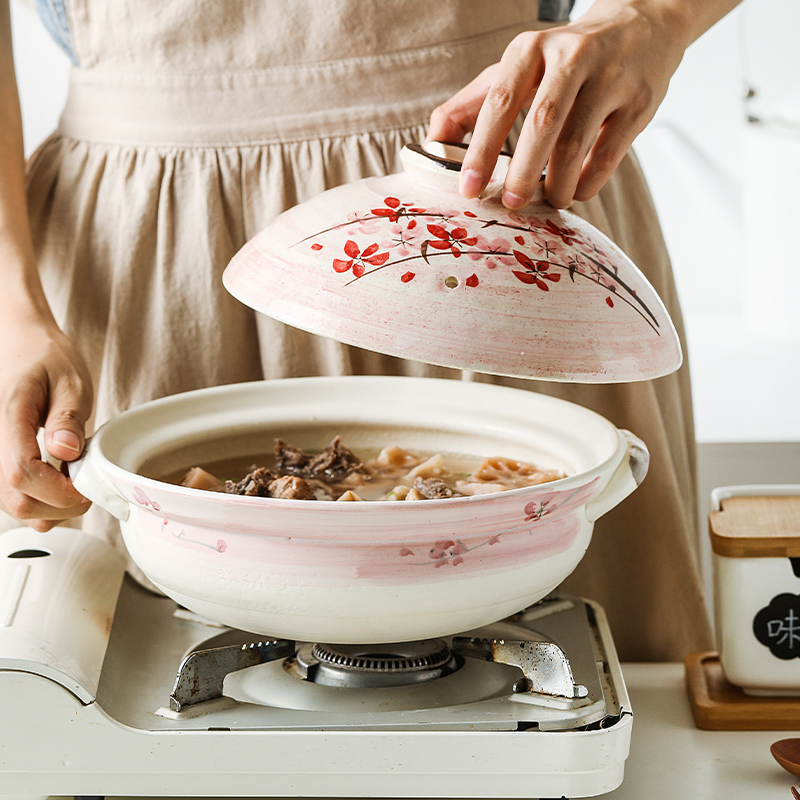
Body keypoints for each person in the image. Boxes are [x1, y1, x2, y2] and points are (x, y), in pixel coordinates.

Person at [0, 0, 741, 660]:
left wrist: (655, 19)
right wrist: (15, 315)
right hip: (152, 242)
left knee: (594, 667)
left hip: (496, 216)